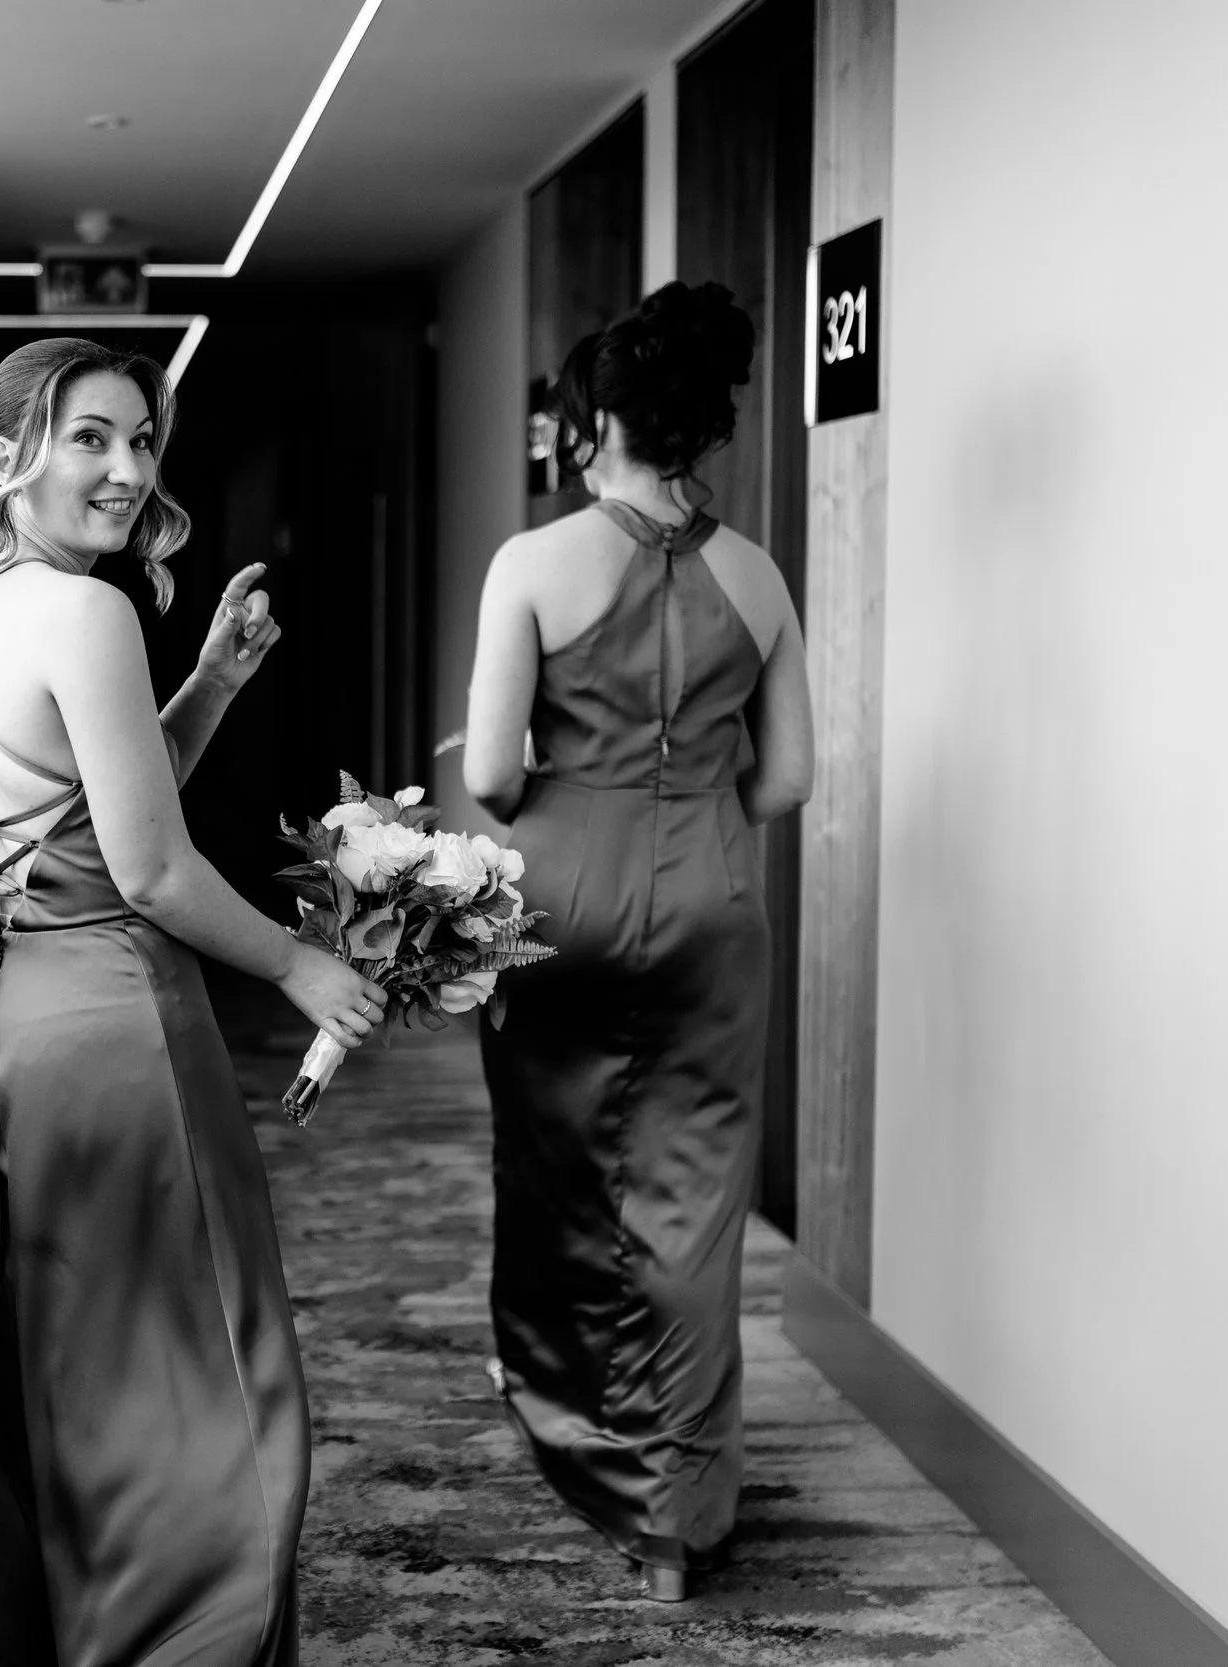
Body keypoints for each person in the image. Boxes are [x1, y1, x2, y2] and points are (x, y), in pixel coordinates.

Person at [0, 337, 385, 1665]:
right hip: (111, 1037)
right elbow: (155, 865)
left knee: (9, 1404)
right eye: (91, 438)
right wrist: (303, 963)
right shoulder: (87, 610)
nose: (127, 471)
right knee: (190, 1411)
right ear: (8, 455)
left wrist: (216, 683)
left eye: (142, 440)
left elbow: (79, 800)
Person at [459, 282, 814, 1601]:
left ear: (595, 418)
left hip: (567, 895)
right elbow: (785, 783)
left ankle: (592, 1447)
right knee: (693, 1206)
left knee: (563, 1180)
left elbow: (494, 774)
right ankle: (681, 1514)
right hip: (718, 895)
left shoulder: (534, 565)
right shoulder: (759, 573)